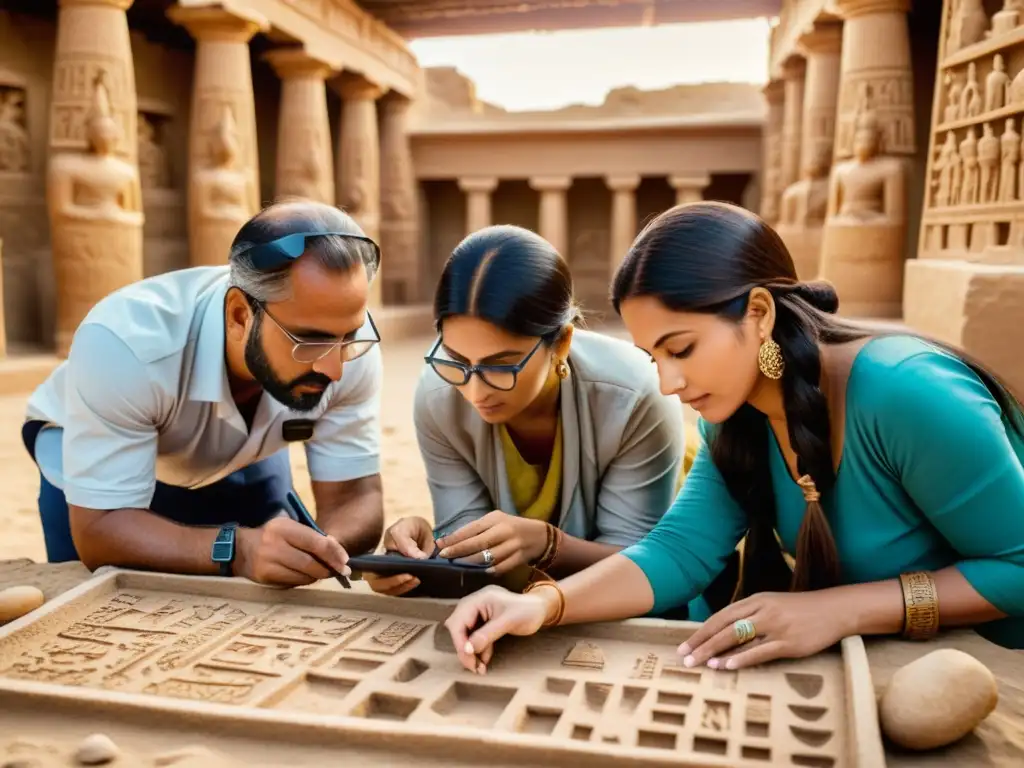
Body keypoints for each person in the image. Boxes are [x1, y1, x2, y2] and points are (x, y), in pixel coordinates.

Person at [443, 201, 1024, 675]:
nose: (668, 383)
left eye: (683, 349)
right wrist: (540, 605)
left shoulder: (906, 391)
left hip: (991, 661)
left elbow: (1018, 566)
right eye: (653, 358)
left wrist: (838, 609)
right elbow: (679, 551)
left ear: (760, 313)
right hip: (881, 662)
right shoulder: (735, 414)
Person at [22, 200, 386, 587]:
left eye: (349, 337)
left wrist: (322, 550)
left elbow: (354, 495)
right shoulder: (125, 345)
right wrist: (239, 550)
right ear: (239, 316)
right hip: (103, 465)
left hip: (241, 457)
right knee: (105, 605)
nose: (336, 368)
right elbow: (102, 529)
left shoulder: (347, 344)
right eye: (309, 342)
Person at [364, 224, 709, 603]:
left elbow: (643, 569)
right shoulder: (439, 392)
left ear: (561, 343)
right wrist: (419, 561)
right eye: (457, 360)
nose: (475, 391)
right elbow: (473, 556)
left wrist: (548, 545)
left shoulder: (634, 395)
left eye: (502, 365)